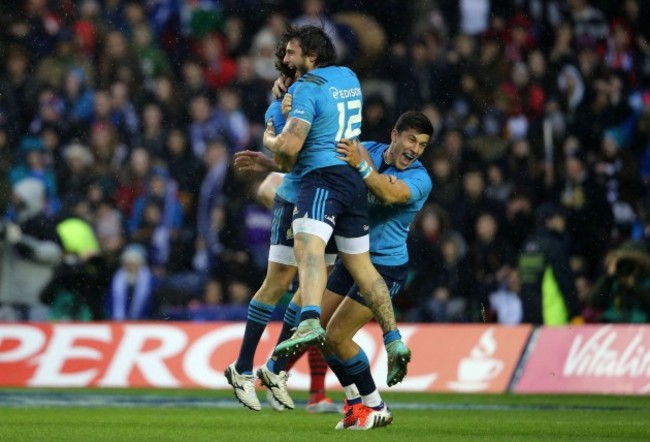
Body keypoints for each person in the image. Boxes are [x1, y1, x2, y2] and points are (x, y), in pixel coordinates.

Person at [239, 110, 434, 430]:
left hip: (384, 267)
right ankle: (357, 405)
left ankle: (374, 404)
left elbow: (388, 192)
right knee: (317, 331)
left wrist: (359, 164)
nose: (414, 149)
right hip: (350, 257)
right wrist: (270, 163)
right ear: (395, 134)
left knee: (339, 336)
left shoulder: (419, 179)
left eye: (422, 145)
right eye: (411, 139)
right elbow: (316, 166)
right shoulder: (366, 149)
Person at [261, 25, 411, 386]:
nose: (285, 59)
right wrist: (286, 87)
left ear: (311, 57)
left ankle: (309, 318)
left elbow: (289, 150)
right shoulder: (348, 77)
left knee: (308, 250)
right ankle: (393, 338)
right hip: (351, 180)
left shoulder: (305, 90)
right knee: (361, 266)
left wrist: (269, 135)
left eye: (292, 53)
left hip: (321, 180)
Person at [224, 32, 339, 414]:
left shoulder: (322, 92)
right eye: (288, 63)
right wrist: (273, 155)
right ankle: (247, 369)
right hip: (300, 199)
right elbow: (290, 162)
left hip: (324, 198)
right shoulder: (280, 109)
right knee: (284, 286)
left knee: (310, 297)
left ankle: (275, 372)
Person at [0, 178, 62, 321]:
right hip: (11, 295)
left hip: (35, 296)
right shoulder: (16, 222)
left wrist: (20, 241)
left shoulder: (42, 224)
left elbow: (52, 253)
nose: (14, 201)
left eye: (18, 197)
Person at [517, 202, 582, 325]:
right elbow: (565, 281)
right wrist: (575, 312)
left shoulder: (526, 246)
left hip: (529, 315)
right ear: (549, 221)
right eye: (560, 218)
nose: (564, 222)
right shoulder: (554, 246)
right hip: (552, 316)